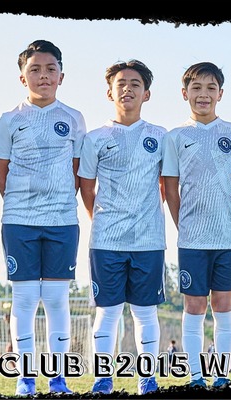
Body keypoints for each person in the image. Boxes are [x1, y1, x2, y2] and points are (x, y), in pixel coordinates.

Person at [0, 39, 86, 396]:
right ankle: (26, 378)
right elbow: (1, 171)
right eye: (35, 69)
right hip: (19, 221)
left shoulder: (73, 118)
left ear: (61, 76)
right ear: (23, 77)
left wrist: (56, 200)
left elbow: (77, 171)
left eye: (50, 69)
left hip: (62, 221)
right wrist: (22, 204)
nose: (43, 76)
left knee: (57, 299)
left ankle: (58, 377)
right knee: (24, 299)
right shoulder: (10, 120)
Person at [79, 60, 165, 395]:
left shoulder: (160, 137)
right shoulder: (95, 138)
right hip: (106, 240)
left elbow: (165, 185)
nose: (127, 89)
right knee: (108, 312)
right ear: (109, 92)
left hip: (149, 241)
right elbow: (87, 188)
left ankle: (148, 379)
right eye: (121, 84)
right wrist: (102, 220)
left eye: (135, 84)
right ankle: (103, 379)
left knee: (145, 313)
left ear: (147, 94)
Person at [162, 62, 231, 389]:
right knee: (194, 306)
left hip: (226, 237)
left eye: (211, 88)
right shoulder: (175, 136)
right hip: (192, 239)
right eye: (196, 88)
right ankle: (196, 376)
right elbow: (170, 189)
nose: (203, 94)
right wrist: (185, 226)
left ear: (220, 93)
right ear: (185, 93)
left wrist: (220, 216)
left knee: (223, 305)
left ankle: (222, 376)